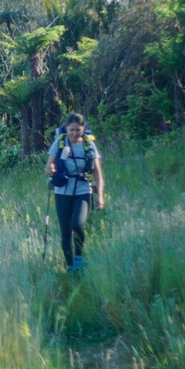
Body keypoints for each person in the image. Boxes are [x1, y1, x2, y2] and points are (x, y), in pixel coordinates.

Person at [45, 113, 105, 273]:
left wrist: (99, 196)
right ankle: (70, 266)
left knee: (77, 224)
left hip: (83, 190)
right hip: (62, 192)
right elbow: (48, 167)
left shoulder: (89, 146)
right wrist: (51, 169)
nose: (74, 133)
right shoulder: (59, 143)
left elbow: (97, 172)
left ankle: (79, 259)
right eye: (71, 130)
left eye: (78, 130)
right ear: (66, 129)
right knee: (65, 230)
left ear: (83, 129)